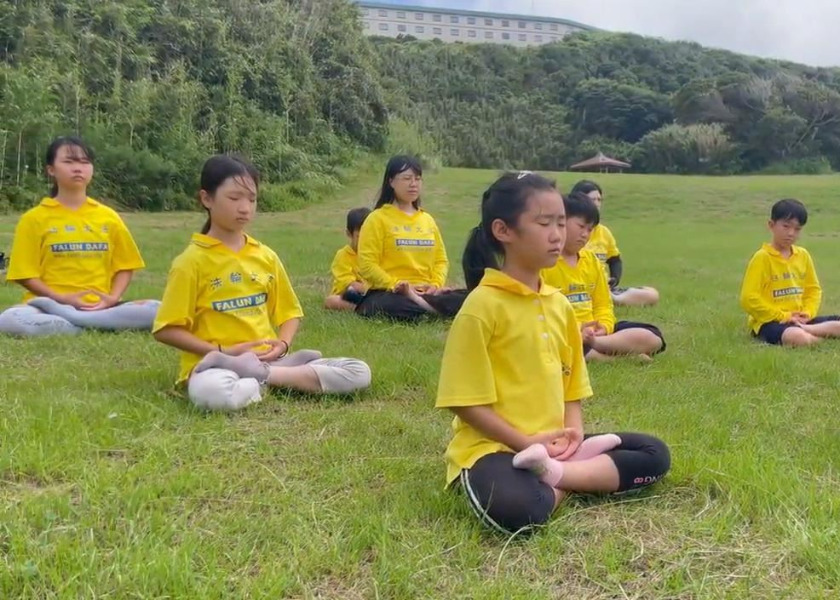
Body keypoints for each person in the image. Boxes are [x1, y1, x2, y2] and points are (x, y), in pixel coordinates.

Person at [440, 171, 670, 535]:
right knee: (519, 511)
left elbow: (572, 388)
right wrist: (526, 443)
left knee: (654, 453)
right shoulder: (481, 307)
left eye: (561, 222)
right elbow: (464, 403)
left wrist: (572, 434)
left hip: (554, 443)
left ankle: (557, 474)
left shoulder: (559, 305)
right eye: (544, 222)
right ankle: (573, 476)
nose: (557, 234)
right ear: (504, 231)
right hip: (494, 449)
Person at [152, 155, 371, 412]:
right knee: (212, 394)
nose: (245, 208)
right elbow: (166, 329)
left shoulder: (265, 256)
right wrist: (223, 351)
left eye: (252, 199)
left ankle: (266, 375)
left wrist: (284, 344)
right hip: (216, 366)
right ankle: (280, 376)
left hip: (268, 359)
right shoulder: (191, 262)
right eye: (234, 198)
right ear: (206, 199)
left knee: (359, 372)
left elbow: (290, 313)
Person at [0, 136, 159, 336]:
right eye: (69, 162)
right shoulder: (34, 219)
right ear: (51, 170)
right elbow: (25, 275)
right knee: (11, 319)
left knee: (157, 309)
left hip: (101, 307)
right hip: (47, 307)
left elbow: (126, 266)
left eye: (84, 162)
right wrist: (61, 299)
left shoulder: (108, 216)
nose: (78, 168)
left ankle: (79, 323)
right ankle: (95, 325)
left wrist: (112, 298)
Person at [542, 193, 665, 362]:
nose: (585, 234)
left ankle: (597, 346)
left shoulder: (591, 261)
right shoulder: (545, 262)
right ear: (561, 222)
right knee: (551, 341)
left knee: (653, 337)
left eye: (590, 229)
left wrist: (604, 327)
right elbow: (543, 312)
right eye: (581, 226)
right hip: (564, 332)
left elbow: (603, 304)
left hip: (596, 333)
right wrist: (577, 329)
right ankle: (615, 357)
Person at [355, 155, 466, 321]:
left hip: (426, 292)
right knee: (389, 305)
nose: (413, 184)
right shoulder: (377, 219)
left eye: (418, 179)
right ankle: (435, 311)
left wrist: (435, 284)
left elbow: (441, 261)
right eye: (407, 178)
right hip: (390, 293)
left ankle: (426, 307)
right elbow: (367, 264)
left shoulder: (427, 220)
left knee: (472, 296)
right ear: (391, 181)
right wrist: (396, 284)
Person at [739, 198, 840, 347]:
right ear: (771, 225)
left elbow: (813, 290)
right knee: (797, 337)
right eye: (786, 226)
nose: (791, 233)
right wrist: (784, 316)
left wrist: (807, 313)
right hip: (770, 322)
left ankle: (806, 329)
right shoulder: (762, 258)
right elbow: (749, 299)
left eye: (797, 229)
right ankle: (811, 335)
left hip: (801, 319)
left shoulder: (803, 255)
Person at [571, 180, 659, 307]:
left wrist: (614, 280)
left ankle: (613, 298)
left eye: (599, 200)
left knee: (652, 294)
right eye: (592, 199)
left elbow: (615, 260)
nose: (596, 204)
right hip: (577, 288)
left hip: (603, 287)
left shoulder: (604, 232)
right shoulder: (569, 233)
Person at [325, 207, 371, 311]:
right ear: (349, 234)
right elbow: (349, 284)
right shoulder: (342, 256)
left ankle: (368, 308)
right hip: (349, 295)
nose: (365, 241)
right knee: (331, 301)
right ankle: (364, 308)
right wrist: (371, 290)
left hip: (372, 294)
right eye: (360, 237)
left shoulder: (375, 254)